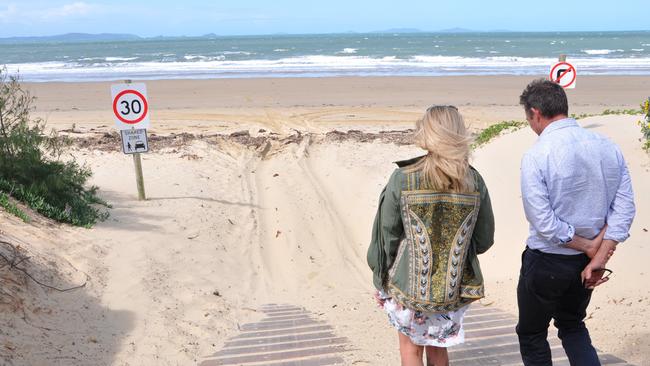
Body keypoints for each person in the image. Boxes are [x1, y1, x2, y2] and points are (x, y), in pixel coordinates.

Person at [516, 79, 636, 366]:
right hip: (586, 264)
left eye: (529, 118)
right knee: (572, 326)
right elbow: (624, 209)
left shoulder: (537, 153)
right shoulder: (607, 147)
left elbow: (542, 221)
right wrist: (599, 252)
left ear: (535, 113)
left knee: (532, 333)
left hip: (548, 260)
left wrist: (591, 248)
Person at [367, 105, 495, 366]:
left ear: (428, 133)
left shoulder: (403, 178)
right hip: (454, 286)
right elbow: (483, 240)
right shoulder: (473, 181)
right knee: (439, 348)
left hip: (408, 285)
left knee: (410, 348)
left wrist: (380, 277)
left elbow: (387, 237)